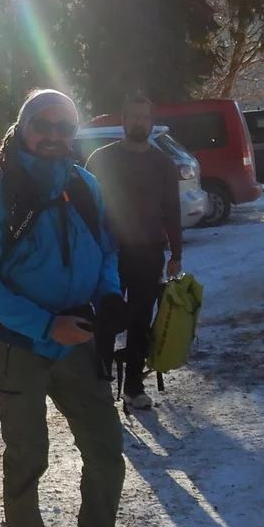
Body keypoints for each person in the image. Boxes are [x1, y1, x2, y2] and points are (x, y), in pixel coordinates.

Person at [0, 88, 158, 527]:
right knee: (28, 462)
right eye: (43, 125)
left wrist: (110, 294)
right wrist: (48, 325)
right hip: (20, 346)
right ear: (23, 128)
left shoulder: (83, 183)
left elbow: (108, 251)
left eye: (64, 127)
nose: (54, 135)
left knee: (106, 454)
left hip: (82, 342)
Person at [84, 94, 183, 410]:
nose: (139, 122)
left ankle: (134, 387)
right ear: (123, 120)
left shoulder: (163, 163)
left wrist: (176, 253)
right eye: (134, 116)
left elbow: (172, 209)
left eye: (145, 117)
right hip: (108, 252)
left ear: (151, 123)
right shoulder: (100, 159)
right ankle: (99, 387)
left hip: (150, 252)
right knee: (106, 320)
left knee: (141, 320)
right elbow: (84, 208)